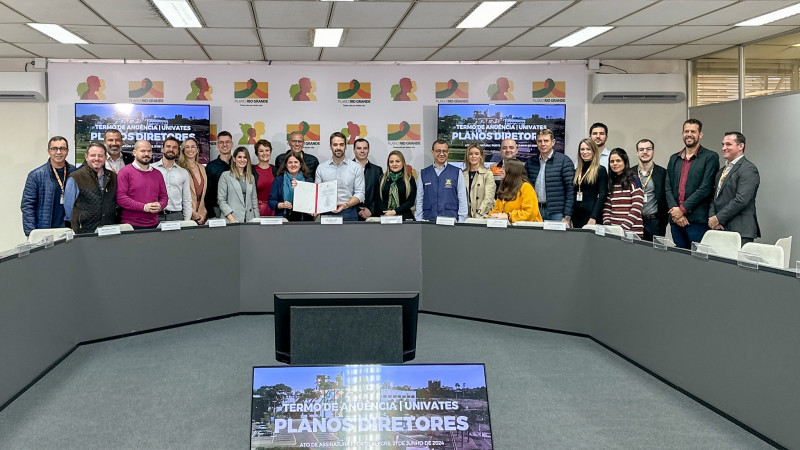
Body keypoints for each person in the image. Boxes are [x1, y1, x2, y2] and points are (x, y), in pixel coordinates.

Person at [665, 119, 719, 249]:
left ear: (700, 134)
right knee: (679, 257)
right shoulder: (674, 158)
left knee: (698, 258)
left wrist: (682, 210)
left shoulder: (710, 157)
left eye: (693, 132)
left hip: (697, 221)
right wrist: (675, 212)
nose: (689, 134)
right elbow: (667, 186)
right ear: (682, 134)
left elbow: (705, 188)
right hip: (676, 221)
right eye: (686, 131)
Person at [708, 131, 760, 244]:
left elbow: (741, 200)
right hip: (720, 228)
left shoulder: (748, 169)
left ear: (741, 146)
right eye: (723, 144)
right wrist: (713, 218)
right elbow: (714, 197)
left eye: (728, 144)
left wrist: (718, 218)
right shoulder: (721, 171)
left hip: (740, 231)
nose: (724, 148)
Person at [21, 136, 78, 236]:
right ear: (48, 151)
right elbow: (28, 206)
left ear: (67, 151)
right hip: (45, 231)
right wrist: (31, 233)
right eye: (54, 149)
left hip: (70, 231)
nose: (58, 152)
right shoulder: (36, 175)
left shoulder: (76, 173)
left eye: (62, 148)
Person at [63, 142, 117, 234]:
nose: (97, 159)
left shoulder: (113, 176)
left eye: (100, 156)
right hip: (83, 231)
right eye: (93, 155)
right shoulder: (75, 177)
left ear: (105, 158)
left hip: (108, 230)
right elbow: (69, 209)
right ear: (86, 157)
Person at [524, 129, 574, 224]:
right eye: (540, 141)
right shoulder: (530, 162)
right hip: (535, 210)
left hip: (556, 213)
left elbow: (570, 191)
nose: (543, 144)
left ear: (553, 142)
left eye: (546, 141)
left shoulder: (564, 161)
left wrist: (567, 216)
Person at [116, 140, 168, 229]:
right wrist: (144, 207)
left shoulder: (158, 174)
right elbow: (121, 198)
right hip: (130, 226)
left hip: (154, 225)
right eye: (143, 151)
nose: (146, 154)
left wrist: (160, 206)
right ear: (134, 153)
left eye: (149, 151)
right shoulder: (124, 172)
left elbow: (164, 197)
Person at [315, 132, 365, 221]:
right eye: (335, 145)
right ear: (330, 146)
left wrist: (346, 205)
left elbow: (360, 193)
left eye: (341, 145)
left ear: (345, 146)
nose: (338, 148)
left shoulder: (356, 167)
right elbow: (317, 192)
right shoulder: (321, 168)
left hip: (349, 211)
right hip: (327, 211)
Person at [414, 140, 468, 222]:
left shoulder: (457, 172)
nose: (442, 154)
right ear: (432, 152)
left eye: (444, 151)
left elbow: (462, 198)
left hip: (451, 220)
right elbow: (419, 199)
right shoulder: (424, 173)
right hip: (429, 220)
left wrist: (461, 221)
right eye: (438, 151)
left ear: (448, 152)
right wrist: (419, 219)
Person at [632, 139, 668, 241]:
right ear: (637, 152)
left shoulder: (662, 173)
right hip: (634, 221)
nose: (645, 152)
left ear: (653, 152)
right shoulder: (630, 173)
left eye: (648, 149)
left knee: (655, 250)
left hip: (654, 222)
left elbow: (666, 197)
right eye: (641, 149)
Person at [603, 148, 644, 238]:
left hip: (632, 231)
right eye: (612, 161)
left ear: (625, 162)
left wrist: (622, 229)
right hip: (613, 232)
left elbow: (637, 207)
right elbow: (607, 207)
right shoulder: (611, 181)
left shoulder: (634, 180)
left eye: (618, 160)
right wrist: (607, 225)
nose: (615, 164)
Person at [152, 137, 192, 222]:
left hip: (175, 216)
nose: (171, 149)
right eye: (168, 146)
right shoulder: (151, 169)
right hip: (154, 215)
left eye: (174, 147)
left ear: (178, 151)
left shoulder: (183, 172)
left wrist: (187, 221)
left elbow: (187, 199)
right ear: (163, 149)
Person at [489, 159, 541, 223]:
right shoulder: (504, 188)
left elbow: (530, 213)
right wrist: (492, 216)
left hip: (527, 227)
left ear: (512, 171)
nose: (500, 170)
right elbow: (497, 210)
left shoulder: (526, 187)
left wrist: (508, 216)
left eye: (503, 168)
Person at [572, 138, 608, 229]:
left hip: (592, 216)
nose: (585, 152)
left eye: (588, 149)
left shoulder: (600, 170)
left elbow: (602, 195)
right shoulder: (576, 171)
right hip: (576, 216)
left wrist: (593, 217)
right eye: (582, 149)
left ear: (594, 151)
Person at [218, 147, 259, 223]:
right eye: (239, 157)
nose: (242, 160)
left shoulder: (251, 177)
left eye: (245, 157)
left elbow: (254, 202)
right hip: (231, 220)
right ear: (234, 159)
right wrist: (231, 219)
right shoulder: (225, 176)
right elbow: (221, 200)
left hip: (249, 220)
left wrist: (257, 220)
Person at [268, 153, 313, 222]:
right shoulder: (279, 180)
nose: (293, 165)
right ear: (286, 165)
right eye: (290, 162)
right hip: (284, 218)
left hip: (304, 219)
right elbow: (271, 202)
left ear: (300, 164)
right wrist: (282, 205)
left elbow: (312, 201)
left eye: (296, 162)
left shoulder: (308, 180)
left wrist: (301, 187)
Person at [377, 150, 417, 221]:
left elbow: (411, 201)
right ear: (388, 164)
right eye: (391, 162)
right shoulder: (382, 178)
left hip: (405, 217)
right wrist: (386, 212)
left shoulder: (409, 179)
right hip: (385, 217)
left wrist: (394, 211)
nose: (394, 164)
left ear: (403, 163)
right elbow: (378, 199)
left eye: (397, 161)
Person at [177, 137, 208, 225]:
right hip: (185, 215)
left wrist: (203, 213)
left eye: (193, 146)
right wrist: (191, 212)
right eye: (187, 147)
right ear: (183, 150)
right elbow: (177, 195)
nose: (190, 149)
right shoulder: (178, 168)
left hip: (201, 215)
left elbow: (204, 195)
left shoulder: (202, 168)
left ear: (197, 150)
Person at [462, 143, 496, 218]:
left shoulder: (488, 174)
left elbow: (489, 198)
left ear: (481, 156)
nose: (473, 156)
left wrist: (479, 213)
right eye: (470, 154)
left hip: (483, 215)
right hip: (466, 216)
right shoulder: (462, 174)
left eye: (476, 154)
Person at [353, 138, 383, 220]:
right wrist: (357, 210)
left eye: (365, 148)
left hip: (372, 215)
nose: (362, 151)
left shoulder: (377, 170)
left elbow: (380, 194)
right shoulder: (346, 168)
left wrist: (371, 209)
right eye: (359, 148)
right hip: (352, 214)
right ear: (354, 150)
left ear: (368, 150)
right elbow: (344, 193)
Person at [205, 130, 233, 218]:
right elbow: (207, 193)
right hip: (217, 210)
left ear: (232, 144)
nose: (224, 145)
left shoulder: (239, 164)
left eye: (227, 142)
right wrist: (211, 214)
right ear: (217, 145)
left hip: (236, 209)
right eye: (221, 142)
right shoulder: (211, 166)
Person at [252, 139, 277, 217]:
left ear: (270, 152)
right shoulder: (251, 170)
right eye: (261, 151)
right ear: (257, 153)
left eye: (267, 150)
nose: (264, 153)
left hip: (274, 209)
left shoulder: (276, 170)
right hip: (256, 210)